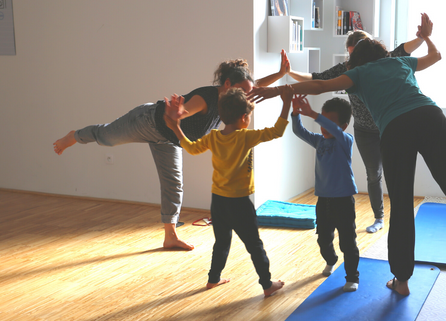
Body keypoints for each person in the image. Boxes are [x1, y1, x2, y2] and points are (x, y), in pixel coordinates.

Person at [248, 13, 446, 296]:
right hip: (430, 115)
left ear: (357, 60)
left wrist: (278, 91)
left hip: (396, 128)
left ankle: (402, 280)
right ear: (383, 52)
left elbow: (321, 85)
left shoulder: (358, 73)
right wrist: (427, 36)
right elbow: (436, 56)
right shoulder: (400, 61)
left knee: (401, 202)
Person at [53, 52, 291, 251]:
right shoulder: (206, 97)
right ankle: (74, 136)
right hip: (147, 121)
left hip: (169, 139)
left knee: (173, 184)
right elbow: (186, 110)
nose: (247, 95)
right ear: (227, 84)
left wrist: (280, 74)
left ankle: (170, 236)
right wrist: (179, 114)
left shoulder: (232, 98)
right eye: (242, 89)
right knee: (107, 139)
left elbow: (257, 86)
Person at [286, 24, 432, 234]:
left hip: (388, 125)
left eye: (357, 54)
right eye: (351, 55)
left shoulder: (386, 59)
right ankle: (379, 217)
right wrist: (288, 72)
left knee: (395, 173)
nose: (354, 60)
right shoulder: (347, 68)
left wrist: (422, 37)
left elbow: (406, 50)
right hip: (365, 130)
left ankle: (400, 218)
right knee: (373, 174)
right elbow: (317, 79)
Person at [163, 84, 293, 296]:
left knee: (222, 242)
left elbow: (192, 148)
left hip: (218, 201)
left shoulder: (213, 137)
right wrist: (286, 102)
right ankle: (267, 285)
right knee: (254, 245)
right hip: (240, 202)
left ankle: (213, 280)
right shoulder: (245, 137)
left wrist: (176, 127)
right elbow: (277, 131)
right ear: (244, 117)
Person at [291, 95, 360, 292]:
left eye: (328, 122)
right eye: (322, 119)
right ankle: (331, 260)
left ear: (344, 125)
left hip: (344, 201)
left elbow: (335, 131)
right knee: (323, 238)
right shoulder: (319, 141)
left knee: (348, 241)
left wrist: (312, 114)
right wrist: (296, 113)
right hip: (324, 200)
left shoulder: (345, 140)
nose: (322, 126)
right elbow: (299, 130)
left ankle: (352, 277)